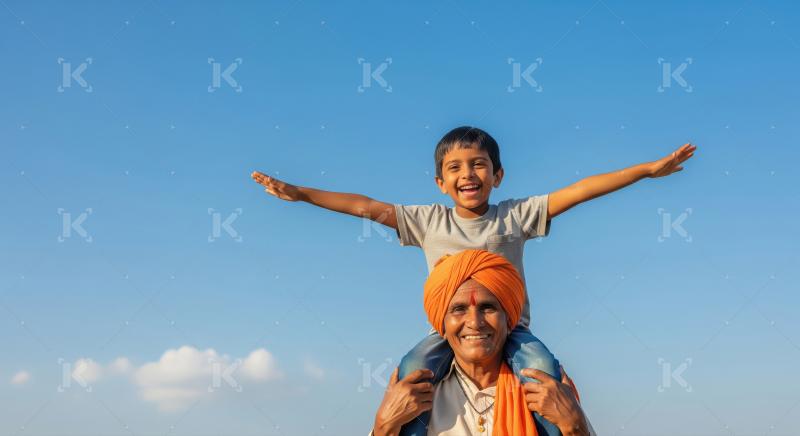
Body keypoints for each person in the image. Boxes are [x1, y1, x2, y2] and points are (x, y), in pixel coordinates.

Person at [252, 126, 695, 434]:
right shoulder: (427, 221)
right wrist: (301, 194)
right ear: (440, 181)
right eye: (456, 168)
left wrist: (646, 171)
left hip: (513, 331)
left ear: (497, 175)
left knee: (544, 377)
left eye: (479, 164)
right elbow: (365, 206)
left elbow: (580, 190)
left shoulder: (515, 215)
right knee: (408, 375)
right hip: (445, 334)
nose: (468, 174)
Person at [371, 249, 594, 436]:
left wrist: (574, 426)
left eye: (488, 308)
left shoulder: (547, 394)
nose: (475, 323)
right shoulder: (416, 395)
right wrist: (383, 426)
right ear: (442, 323)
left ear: (509, 319)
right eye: (459, 309)